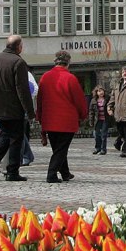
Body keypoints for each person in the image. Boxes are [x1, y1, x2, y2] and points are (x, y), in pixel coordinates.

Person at [0, 36, 36, 182]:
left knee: (5, 136)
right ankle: (12, 171)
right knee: (16, 139)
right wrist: (30, 112)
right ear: (18, 46)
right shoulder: (18, 62)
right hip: (13, 109)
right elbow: (22, 90)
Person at [37, 51, 87, 183]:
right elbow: (79, 100)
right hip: (66, 120)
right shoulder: (70, 78)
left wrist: (40, 116)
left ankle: (65, 173)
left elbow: (40, 99)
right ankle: (51, 174)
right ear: (68, 63)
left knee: (58, 148)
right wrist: (83, 114)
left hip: (49, 119)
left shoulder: (45, 77)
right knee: (61, 149)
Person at [88, 86, 112, 155]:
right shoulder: (94, 100)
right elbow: (91, 111)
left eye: (101, 91)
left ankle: (103, 149)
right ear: (96, 93)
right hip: (97, 120)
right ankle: (97, 148)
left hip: (105, 119)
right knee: (96, 134)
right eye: (98, 91)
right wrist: (91, 121)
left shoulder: (107, 99)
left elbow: (111, 106)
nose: (100, 92)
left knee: (103, 135)